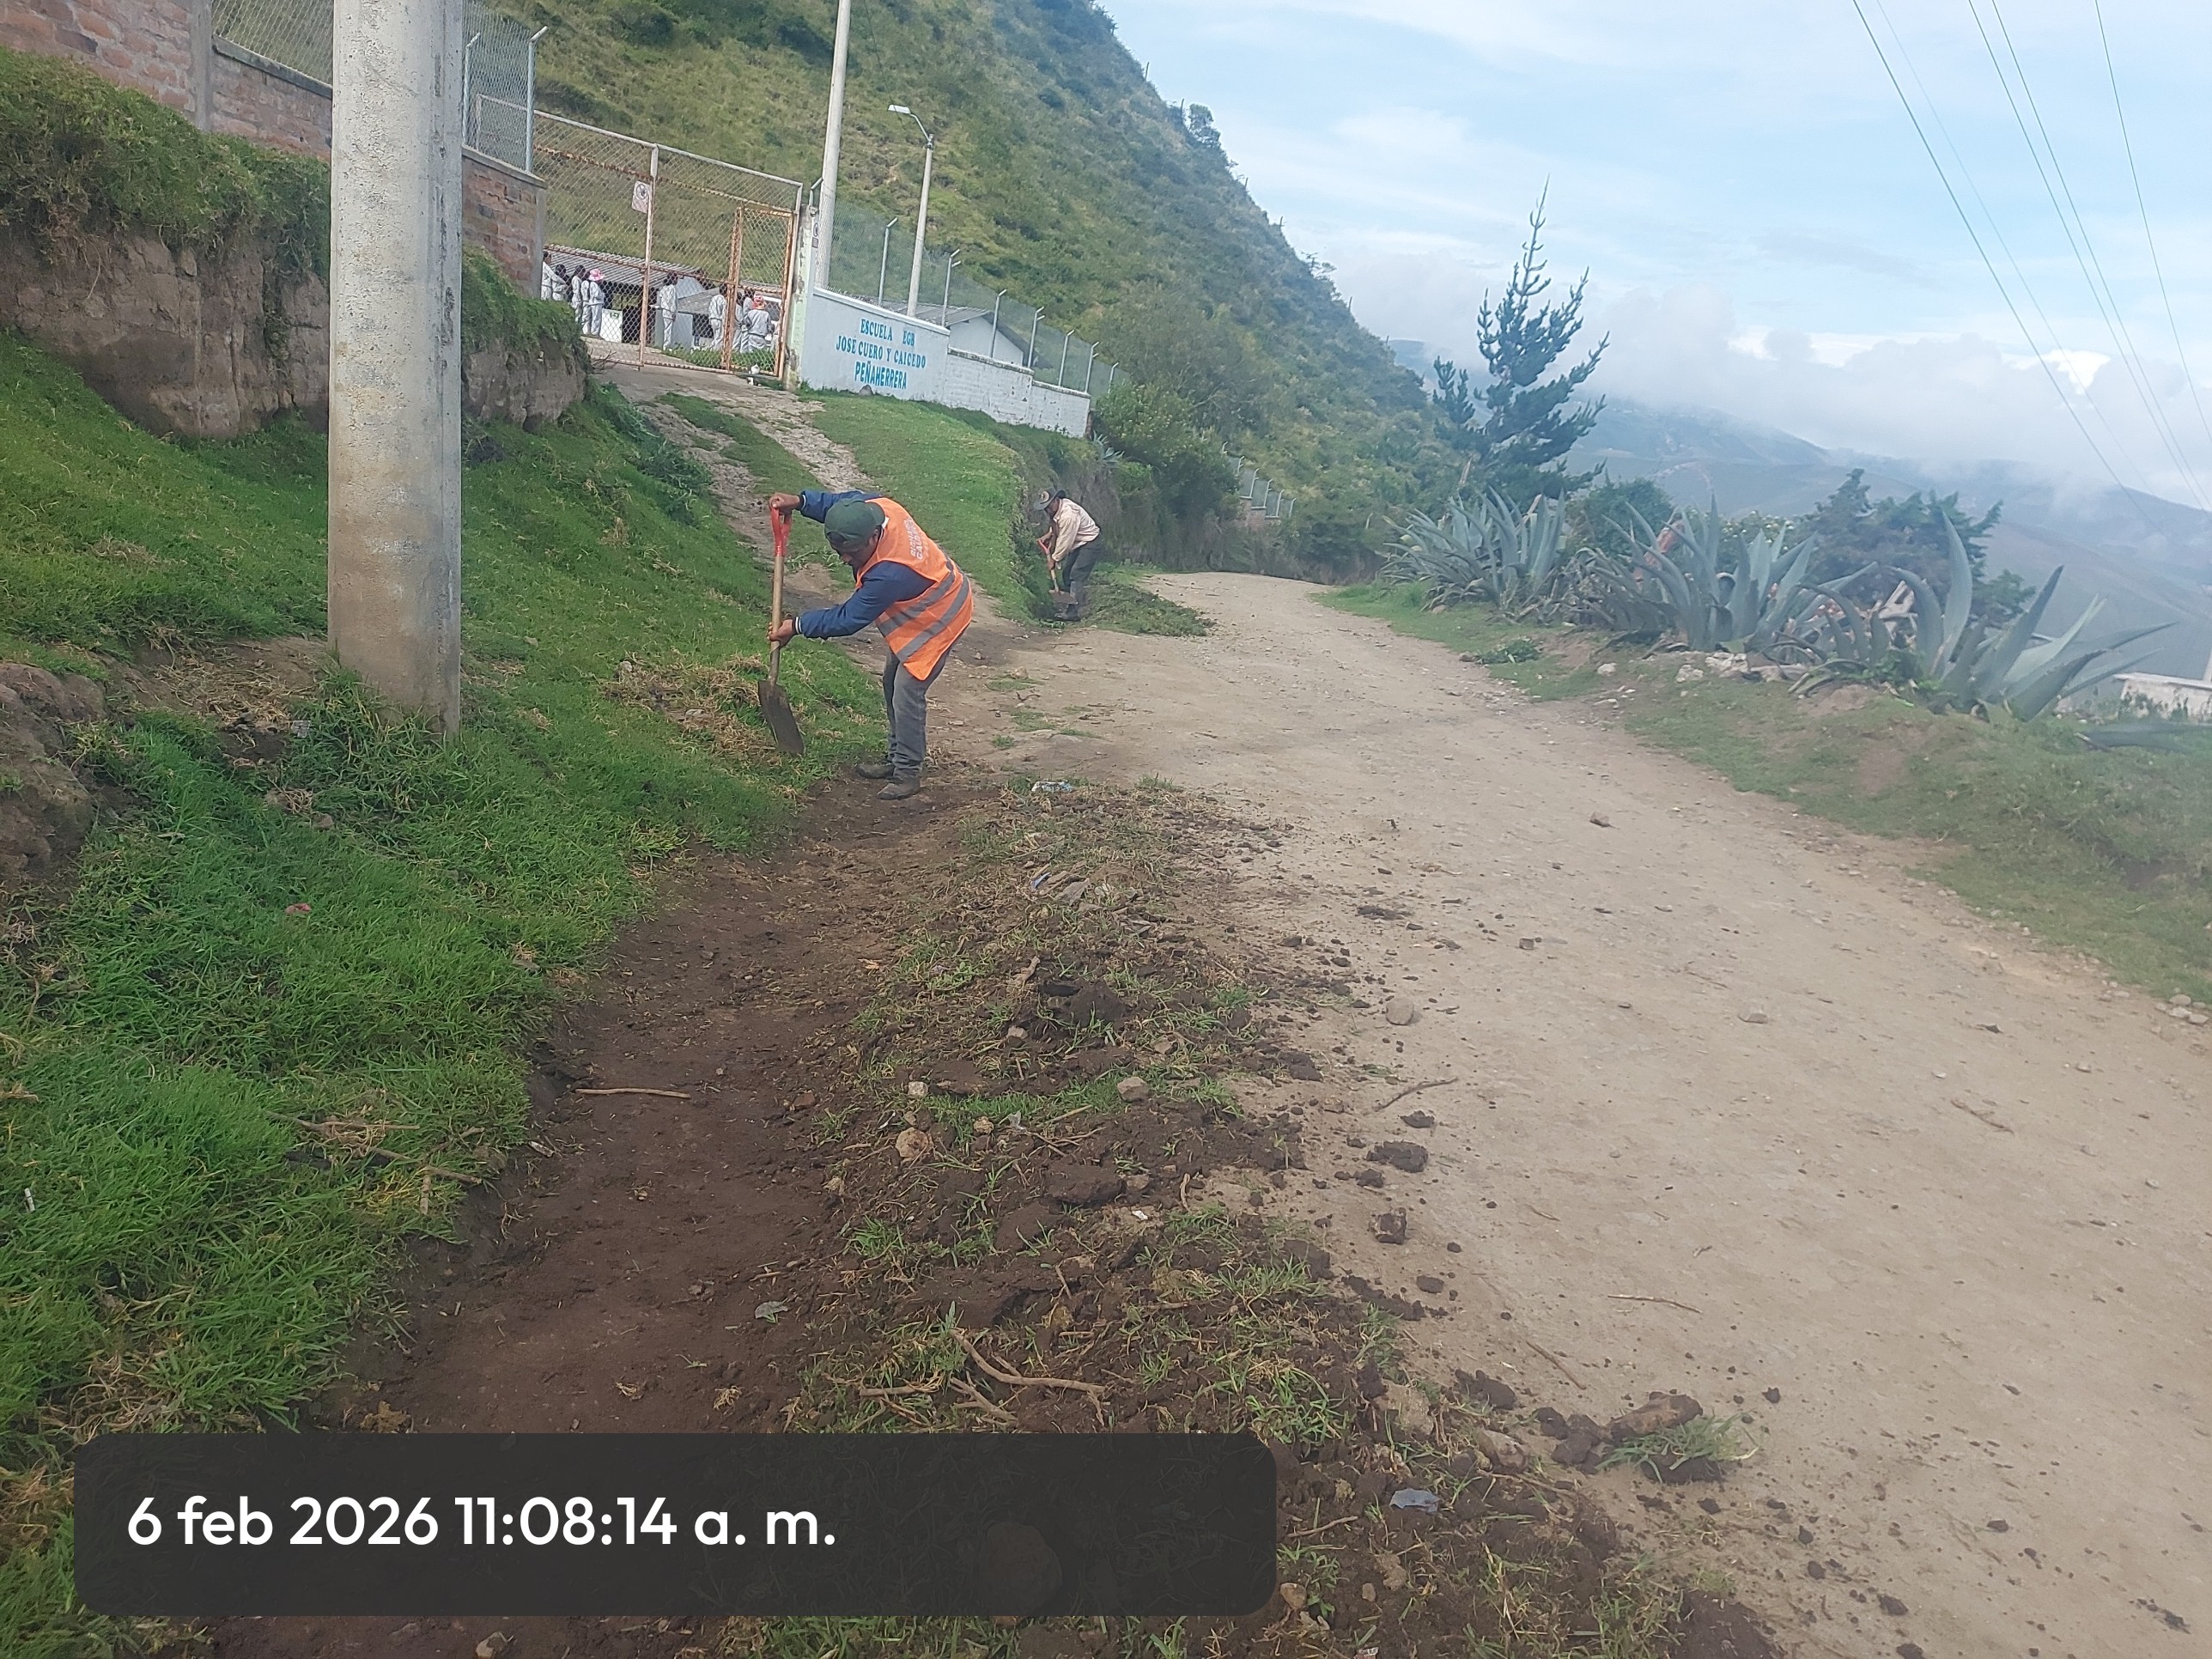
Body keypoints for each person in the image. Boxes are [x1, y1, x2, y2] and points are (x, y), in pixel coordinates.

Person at [766, 489, 975, 800]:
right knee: (891, 680)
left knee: (906, 690)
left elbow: (848, 618)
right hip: (921, 605)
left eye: (852, 551)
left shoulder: (890, 572)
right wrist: (801, 502)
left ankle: (907, 773)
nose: (845, 559)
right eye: (839, 550)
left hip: (941, 614)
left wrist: (797, 626)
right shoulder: (877, 508)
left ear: (874, 536)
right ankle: (896, 757)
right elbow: (839, 507)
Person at [1044, 489, 1103, 611]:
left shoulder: (1068, 515)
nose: (1048, 511)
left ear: (1056, 500)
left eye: (1049, 507)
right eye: (1046, 508)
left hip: (1090, 542)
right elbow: (1058, 525)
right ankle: (1067, 602)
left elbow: (1065, 541)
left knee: (1077, 573)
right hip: (1078, 543)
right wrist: (1050, 534)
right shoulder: (1058, 510)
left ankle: (1074, 611)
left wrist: (1054, 559)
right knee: (1067, 573)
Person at [655, 276, 680, 349]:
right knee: (668, 328)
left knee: (666, 328)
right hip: (670, 310)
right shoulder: (672, 288)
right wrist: (673, 313)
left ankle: (666, 345)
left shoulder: (664, 287)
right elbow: (672, 301)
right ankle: (666, 345)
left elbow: (660, 296)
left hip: (664, 309)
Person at [708, 283, 729, 351]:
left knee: (715, 336)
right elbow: (724, 313)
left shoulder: (714, 298)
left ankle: (711, 348)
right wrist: (724, 323)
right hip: (719, 319)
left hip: (712, 318)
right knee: (720, 337)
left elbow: (710, 309)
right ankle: (715, 350)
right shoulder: (724, 300)